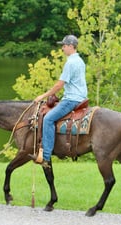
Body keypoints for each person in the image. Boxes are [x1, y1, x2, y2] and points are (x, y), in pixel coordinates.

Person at [29, 35, 88, 168]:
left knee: (48, 119)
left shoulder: (70, 63)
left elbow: (60, 84)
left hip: (71, 99)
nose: (62, 48)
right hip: (80, 97)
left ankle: (45, 157)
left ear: (71, 46)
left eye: (64, 45)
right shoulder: (80, 61)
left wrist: (43, 96)